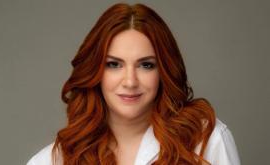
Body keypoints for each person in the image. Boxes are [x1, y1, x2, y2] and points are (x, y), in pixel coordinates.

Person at [27, 3, 240, 165]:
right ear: (95, 71)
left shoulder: (206, 140)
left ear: (163, 70)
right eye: (114, 64)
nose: (130, 81)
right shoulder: (53, 160)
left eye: (146, 65)